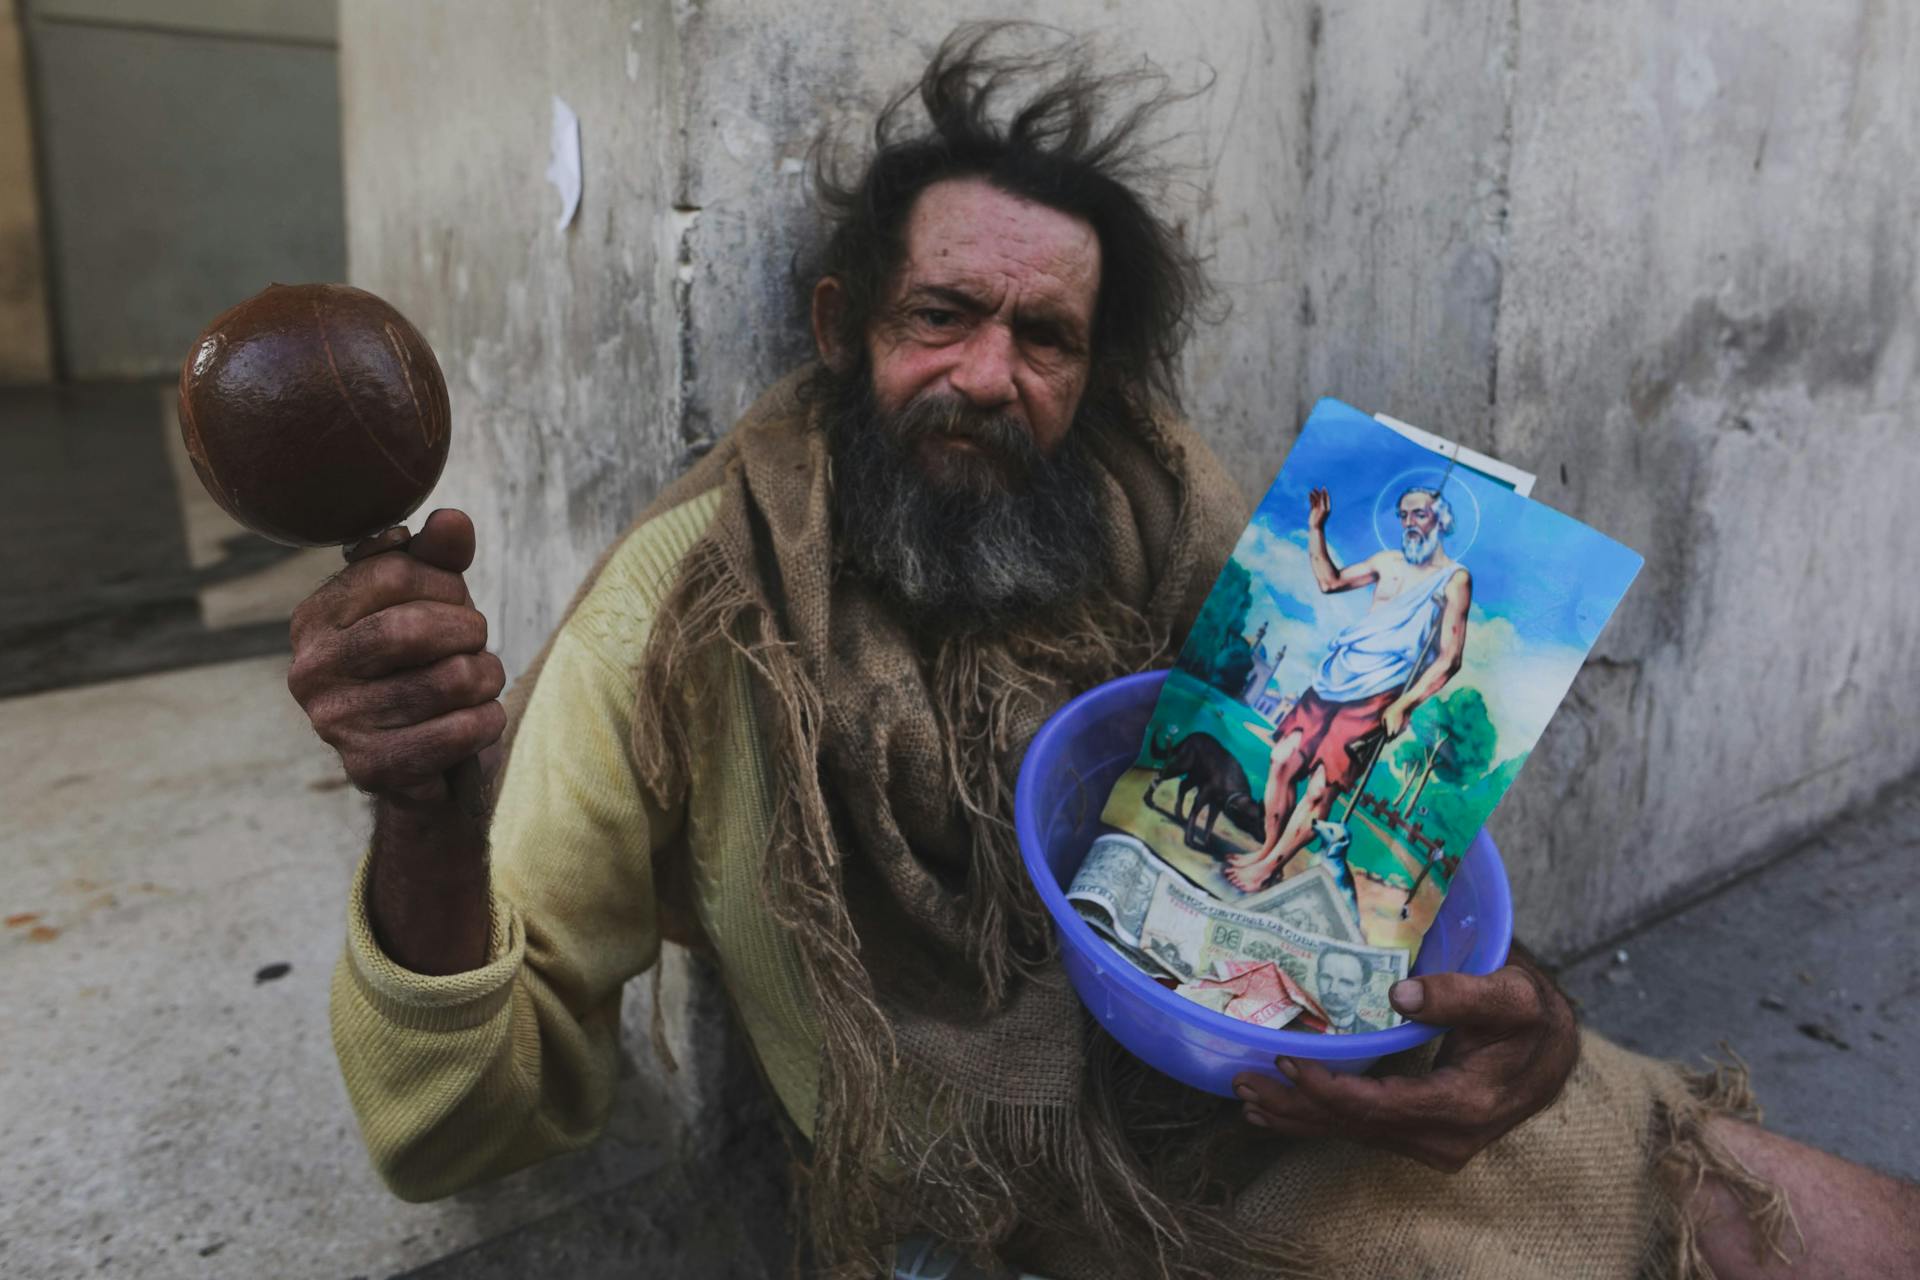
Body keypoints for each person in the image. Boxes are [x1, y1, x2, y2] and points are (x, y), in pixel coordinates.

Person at [299, 23, 1918, 1280]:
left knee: (1809, 1219)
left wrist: (1514, 1024)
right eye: (941, 317)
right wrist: (428, 820)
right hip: (1020, 1207)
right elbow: (463, 1123)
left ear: (1099, 368)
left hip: (1264, 1073)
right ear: (840, 327)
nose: (990, 376)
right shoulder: (685, 611)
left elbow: (1343, 837)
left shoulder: (1158, 496)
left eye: (1046, 339)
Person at [1227, 484, 1470, 893]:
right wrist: (1316, 529)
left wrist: (1406, 704)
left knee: (1322, 786)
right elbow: (1330, 581)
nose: (1410, 524)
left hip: (1379, 695)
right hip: (1334, 678)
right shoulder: (1387, 562)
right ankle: (1267, 851)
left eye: (1420, 515)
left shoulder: (1453, 580)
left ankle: (1268, 869)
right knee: (1283, 760)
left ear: (1441, 520)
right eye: (1404, 516)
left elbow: (1449, 658)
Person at [1313, 948, 1382, 1036]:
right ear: (1316, 979)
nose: (1333, 990)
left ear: (1364, 990)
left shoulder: (1374, 1033)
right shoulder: (1294, 1021)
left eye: (1346, 982)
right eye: (1326, 978)